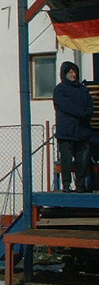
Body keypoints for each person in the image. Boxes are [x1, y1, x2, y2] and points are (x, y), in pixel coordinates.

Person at [53, 61, 94, 192]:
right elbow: (65, 106)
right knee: (66, 159)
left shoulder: (83, 90)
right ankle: (66, 185)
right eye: (70, 72)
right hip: (66, 132)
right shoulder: (60, 89)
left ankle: (80, 185)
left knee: (82, 160)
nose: (73, 74)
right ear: (64, 74)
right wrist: (83, 114)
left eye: (74, 71)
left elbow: (90, 104)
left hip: (82, 131)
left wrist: (88, 114)